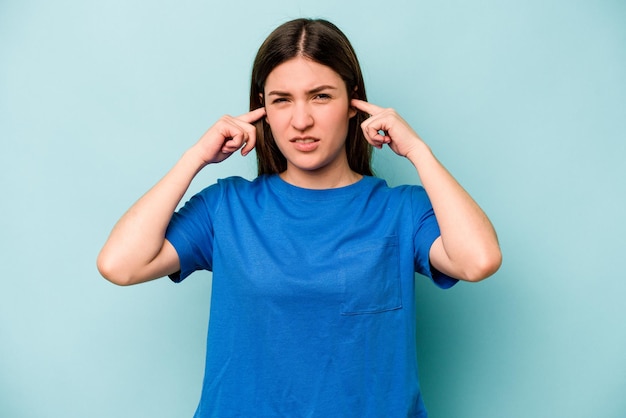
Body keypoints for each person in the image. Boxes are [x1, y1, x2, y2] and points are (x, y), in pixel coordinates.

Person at [97, 18, 501, 418]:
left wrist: (418, 152)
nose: (301, 120)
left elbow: (478, 260)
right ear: (263, 110)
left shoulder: (401, 210)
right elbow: (121, 265)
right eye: (282, 99)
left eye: (321, 96)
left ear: (353, 102)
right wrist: (195, 158)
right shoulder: (227, 208)